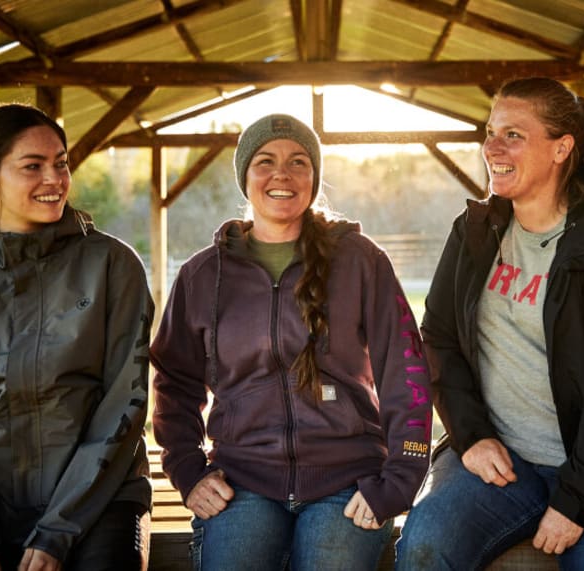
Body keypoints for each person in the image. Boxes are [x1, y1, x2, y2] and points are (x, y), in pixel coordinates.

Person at [395, 77, 584, 570]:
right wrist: (471, 436)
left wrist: (575, 500)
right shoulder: (474, 232)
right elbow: (439, 339)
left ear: (561, 148)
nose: (492, 147)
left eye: (513, 134)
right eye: (491, 132)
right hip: (507, 461)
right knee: (426, 549)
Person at [150, 113, 432, 570]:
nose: (282, 173)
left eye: (298, 161)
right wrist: (188, 471)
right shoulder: (203, 275)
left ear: (314, 178)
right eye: (265, 160)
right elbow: (174, 384)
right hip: (241, 480)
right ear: (245, 176)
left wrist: (400, 478)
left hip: (347, 479)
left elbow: (407, 372)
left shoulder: (360, 261)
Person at [0, 103, 154, 571]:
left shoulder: (112, 266)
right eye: (32, 166)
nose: (55, 179)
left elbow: (123, 408)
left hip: (102, 500)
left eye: (60, 163)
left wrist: (59, 530)